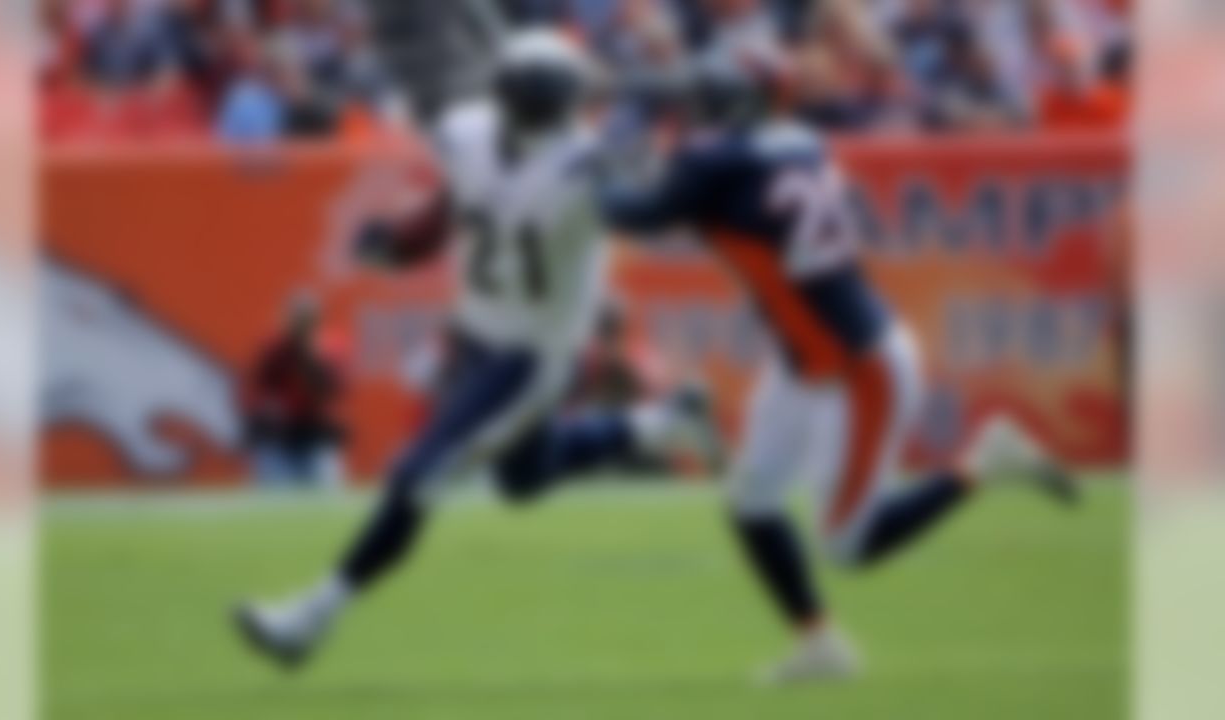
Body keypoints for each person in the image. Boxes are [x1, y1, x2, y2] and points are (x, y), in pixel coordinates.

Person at [234, 29, 719, 667]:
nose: (549, 111)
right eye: (543, 99)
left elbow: (642, 212)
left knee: (416, 475)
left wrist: (656, 163)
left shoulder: (583, 167)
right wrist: (401, 242)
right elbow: (452, 210)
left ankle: (313, 617)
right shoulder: (473, 136)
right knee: (524, 476)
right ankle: (661, 424)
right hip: (477, 333)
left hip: (531, 357)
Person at [598, 54, 1077, 682]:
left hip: (860, 368)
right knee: (752, 500)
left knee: (848, 545)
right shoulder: (797, 143)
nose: (694, 116)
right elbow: (703, 182)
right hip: (811, 360)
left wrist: (591, 171)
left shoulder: (720, 164)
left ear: (737, 107)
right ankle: (821, 645)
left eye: (706, 102)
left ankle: (984, 462)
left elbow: (635, 213)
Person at [240, 293, 348, 489]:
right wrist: (262, 413)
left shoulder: (330, 348)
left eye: (306, 319)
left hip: (318, 436)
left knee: (327, 499)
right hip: (281, 435)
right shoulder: (275, 349)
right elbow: (256, 389)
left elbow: (335, 389)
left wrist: (310, 356)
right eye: (298, 318)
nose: (301, 324)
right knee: (275, 500)